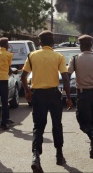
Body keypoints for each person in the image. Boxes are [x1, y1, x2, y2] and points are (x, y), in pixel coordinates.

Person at [21, 30, 73, 173]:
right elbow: (66, 78)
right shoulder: (58, 56)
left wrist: (27, 91)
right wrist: (68, 97)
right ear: (53, 42)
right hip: (54, 95)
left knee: (38, 126)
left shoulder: (32, 56)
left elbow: (23, 76)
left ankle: (35, 158)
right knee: (57, 124)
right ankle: (59, 155)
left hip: (38, 95)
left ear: (40, 42)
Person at [68, 35, 93, 159]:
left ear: (80, 45)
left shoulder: (75, 59)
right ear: (90, 46)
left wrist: (67, 92)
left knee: (83, 122)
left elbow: (67, 76)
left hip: (83, 94)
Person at [0, 37, 14, 130]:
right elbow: (9, 68)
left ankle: (7, 118)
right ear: (5, 44)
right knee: (5, 101)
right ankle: (4, 123)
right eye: (8, 43)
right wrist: (12, 72)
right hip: (4, 78)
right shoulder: (9, 55)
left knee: (2, 98)